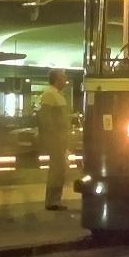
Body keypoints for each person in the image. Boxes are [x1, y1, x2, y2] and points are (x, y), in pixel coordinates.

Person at [39, 68, 72, 211]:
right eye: (63, 77)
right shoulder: (49, 94)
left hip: (61, 137)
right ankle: (52, 201)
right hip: (56, 138)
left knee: (60, 169)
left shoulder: (58, 95)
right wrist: (54, 135)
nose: (65, 79)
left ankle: (55, 199)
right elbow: (45, 118)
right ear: (57, 78)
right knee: (56, 169)